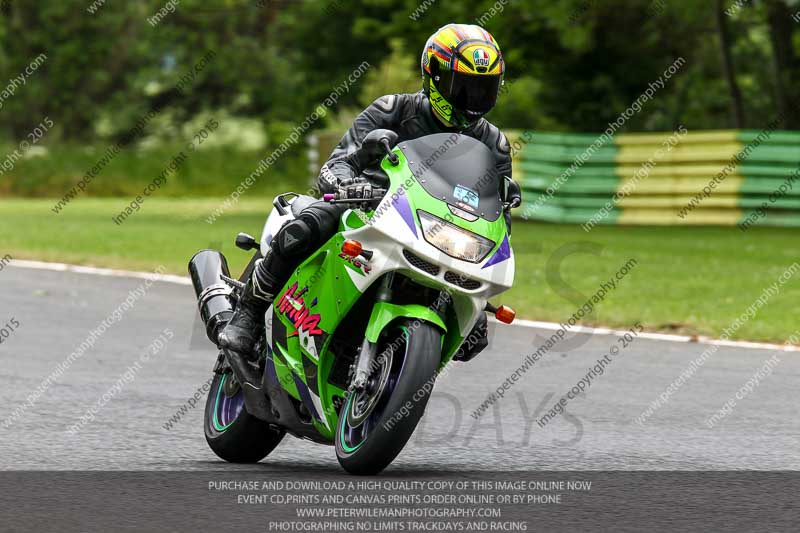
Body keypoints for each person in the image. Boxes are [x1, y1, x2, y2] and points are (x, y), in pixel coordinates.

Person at [219, 23, 519, 362]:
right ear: (434, 76)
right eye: (464, 87)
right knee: (310, 223)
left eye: (483, 89)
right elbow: (336, 164)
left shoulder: (493, 143)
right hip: (366, 208)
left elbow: (499, 219)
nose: (473, 100)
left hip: (432, 232)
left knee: (472, 334)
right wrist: (350, 184)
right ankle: (249, 312)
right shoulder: (393, 110)